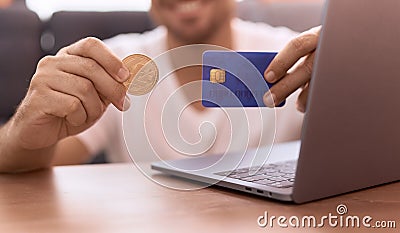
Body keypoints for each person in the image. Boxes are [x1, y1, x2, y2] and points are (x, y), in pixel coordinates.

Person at [0, 0, 319, 173]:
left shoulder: (296, 56)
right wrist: (23, 133)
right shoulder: (114, 63)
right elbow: (38, 163)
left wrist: (355, 77)